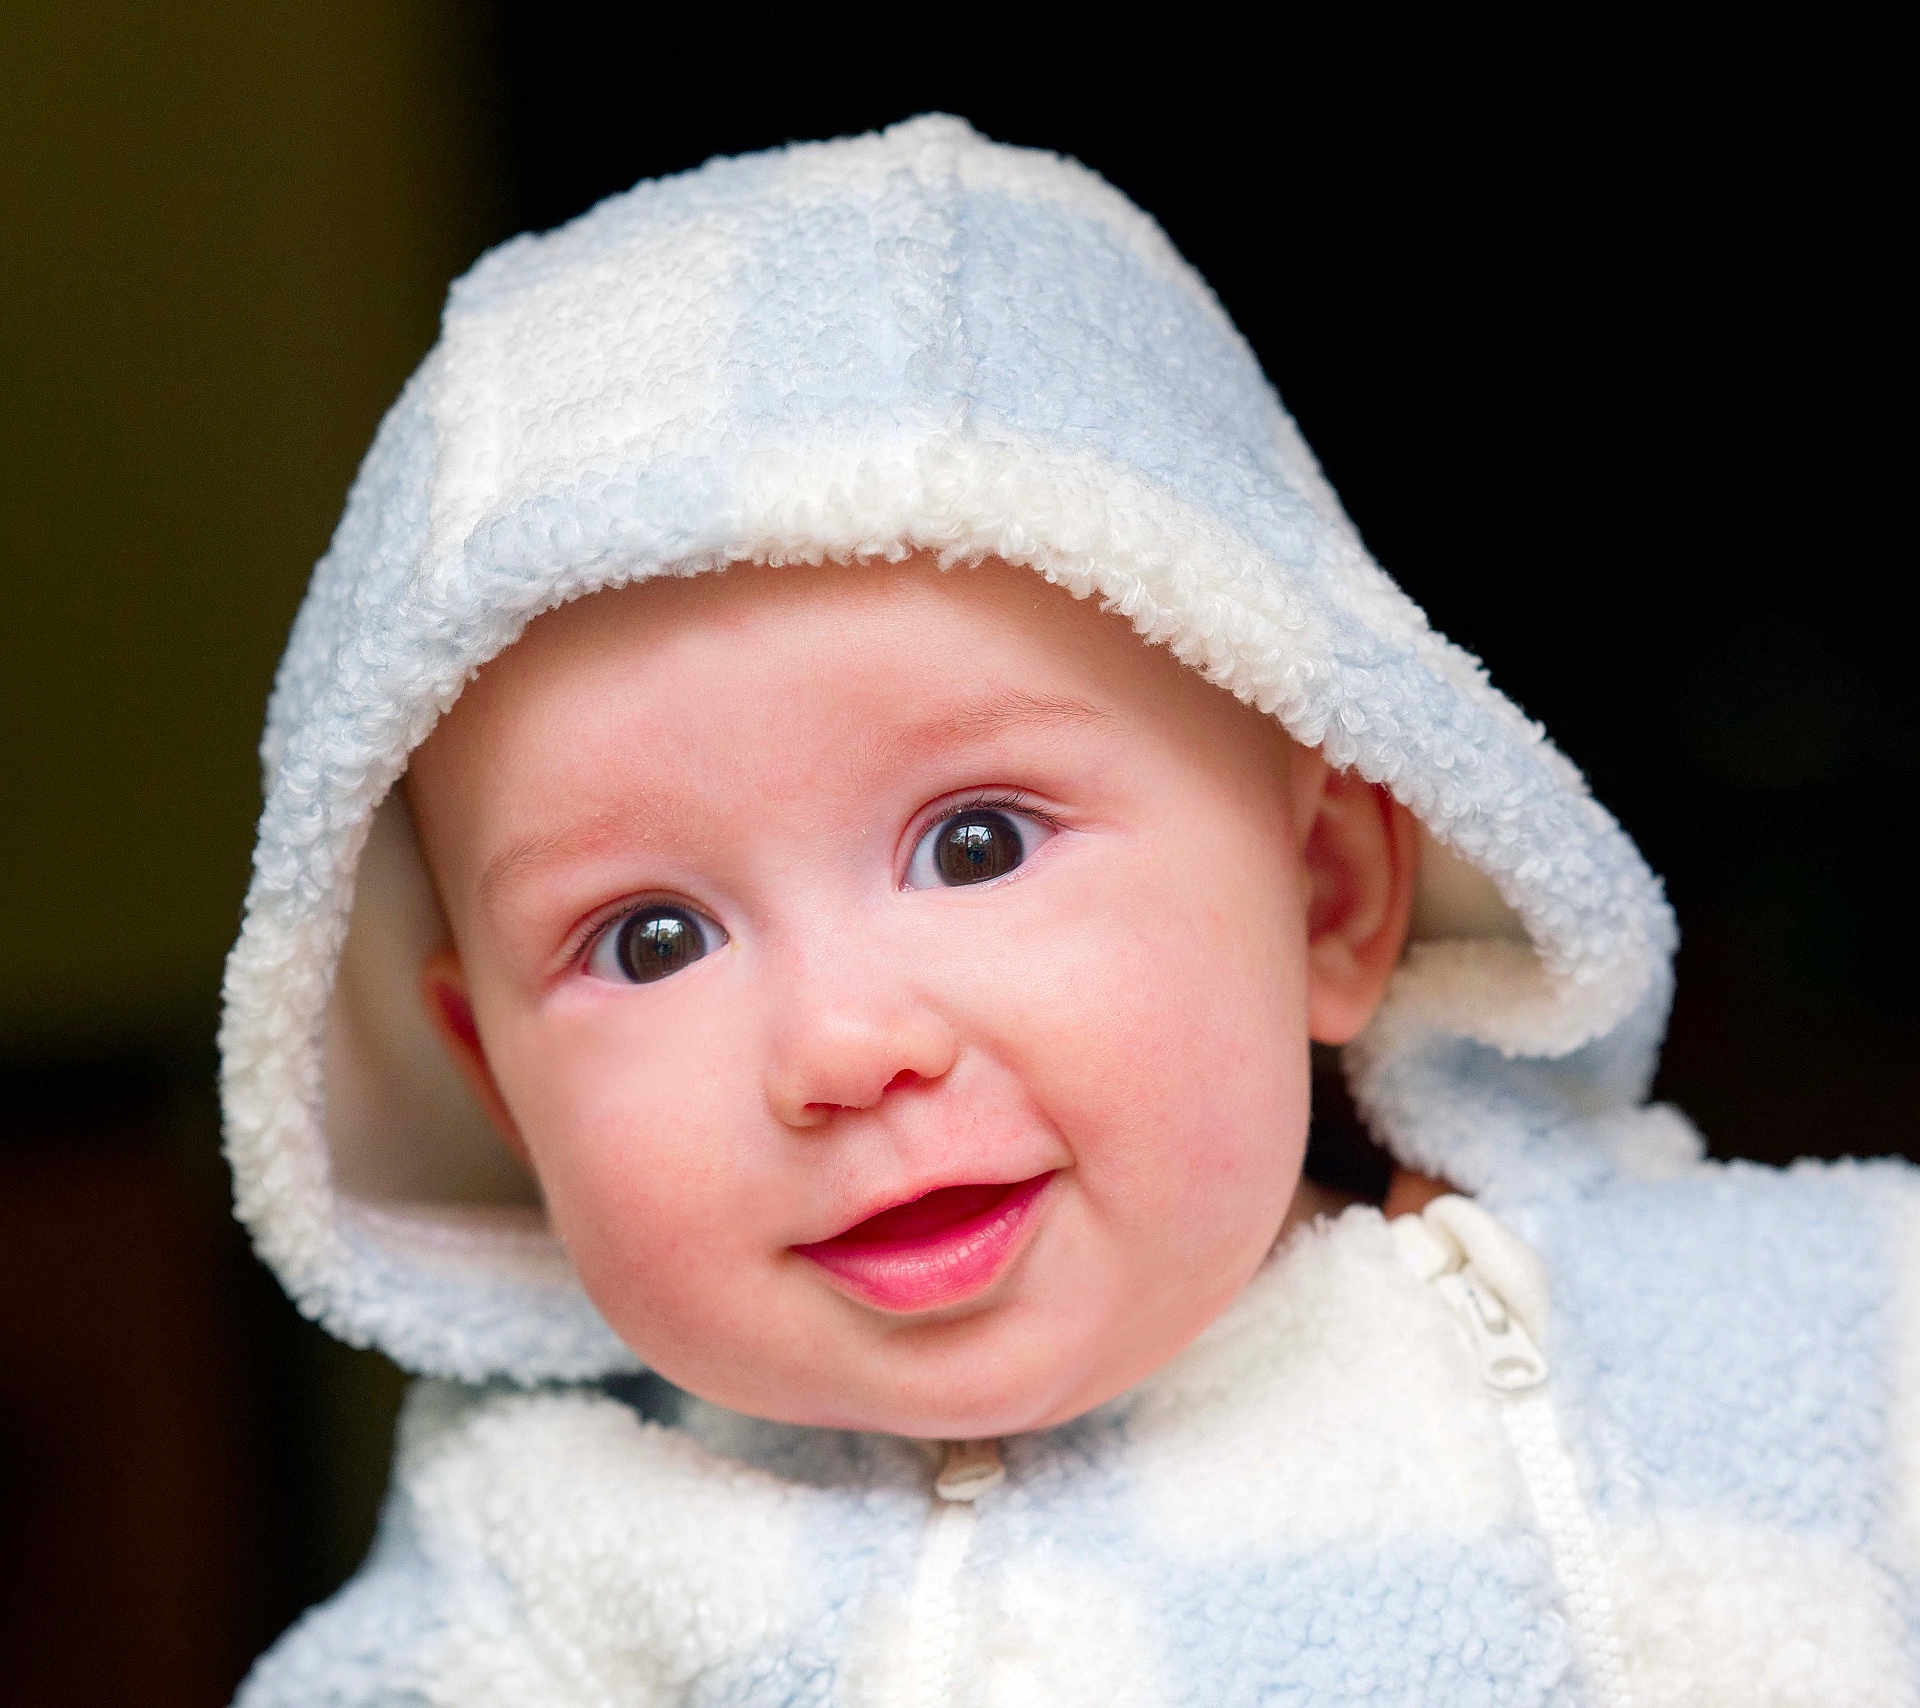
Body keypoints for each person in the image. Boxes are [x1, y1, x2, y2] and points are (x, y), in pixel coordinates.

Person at [220, 115, 1919, 1705]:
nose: (841, 1045)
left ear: (1324, 891)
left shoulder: (1808, 1351)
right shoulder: (532, 1578)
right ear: (503, 1082)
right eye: (650, 939)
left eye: (975, 845)